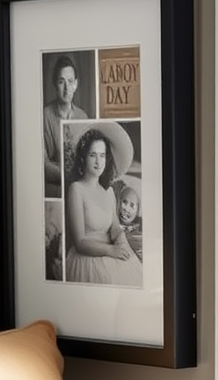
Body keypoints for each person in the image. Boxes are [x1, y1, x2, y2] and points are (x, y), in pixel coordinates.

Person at [64, 124, 142, 285]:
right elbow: (79, 243)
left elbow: (114, 228)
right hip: (87, 258)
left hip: (110, 252)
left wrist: (121, 242)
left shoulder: (109, 192)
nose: (99, 162)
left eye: (103, 155)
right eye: (93, 155)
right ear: (83, 157)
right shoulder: (76, 189)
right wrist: (111, 250)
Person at [43, 54, 87, 194]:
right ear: (55, 84)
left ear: (76, 84)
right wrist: (69, 177)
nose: (67, 88)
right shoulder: (45, 115)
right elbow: (42, 163)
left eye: (70, 81)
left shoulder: (83, 116)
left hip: (80, 187)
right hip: (56, 187)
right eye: (61, 82)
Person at [113, 178, 143, 261]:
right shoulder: (111, 226)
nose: (126, 208)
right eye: (124, 202)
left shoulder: (138, 237)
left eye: (132, 205)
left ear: (138, 210)